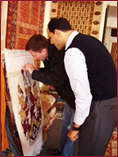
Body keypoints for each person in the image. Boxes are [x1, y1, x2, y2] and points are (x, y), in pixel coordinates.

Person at [47, 17, 117, 156]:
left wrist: (76, 127)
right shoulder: (87, 40)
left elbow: (83, 94)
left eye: (50, 37)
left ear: (57, 33)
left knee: (89, 150)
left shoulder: (72, 52)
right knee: (95, 148)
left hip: (101, 105)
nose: (52, 42)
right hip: (108, 101)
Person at [24, 34, 79, 156]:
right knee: (65, 123)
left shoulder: (59, 54)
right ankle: (60, 149)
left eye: (35, 55)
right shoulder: (49, 55)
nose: (35, 58)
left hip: (77, 97)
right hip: (69, 97)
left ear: (44, 50)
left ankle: (66, 154)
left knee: (72, 128)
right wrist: (38, 71)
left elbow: (58, 79)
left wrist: (34, 73)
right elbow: (50, 72)